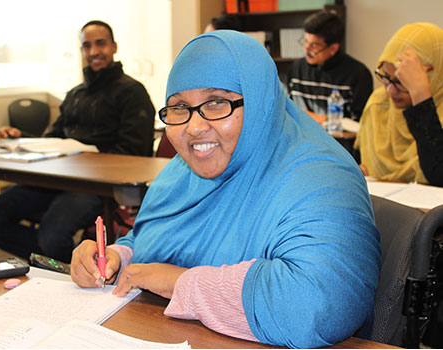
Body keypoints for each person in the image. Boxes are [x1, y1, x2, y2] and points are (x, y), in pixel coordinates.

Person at [71, 30, 381, 348]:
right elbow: (155, 236)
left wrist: (180, 282)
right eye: (178, 107)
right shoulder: (182, 172)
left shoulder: (323, 179)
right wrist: (118, 257)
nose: (193, 127)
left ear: (260, 100)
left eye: (217, 103)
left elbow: (317, 307)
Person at [0, 20, 155, 263]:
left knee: (52, 237)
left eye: (101, 44)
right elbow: (53, 140)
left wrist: (85, 158)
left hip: (99, 187)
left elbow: (135, 152)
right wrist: (21, 138)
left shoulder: (132, 93)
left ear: (114, 47)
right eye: (86, 46)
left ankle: (63, 261)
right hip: (56, 180)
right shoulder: (76, 94)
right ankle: (61, 263)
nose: (94, 51)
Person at [355, 23, 443, 187]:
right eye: (386, 77)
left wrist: (421, 97)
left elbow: (438, 175)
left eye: (401, 81)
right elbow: (360, 159)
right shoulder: (379, 103)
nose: (390, 91)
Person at [286, 10, 372, 123]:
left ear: (333, 49)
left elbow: (361, 123)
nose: (307, 48)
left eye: (314, 45)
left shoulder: (358, 74)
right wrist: (318, 119)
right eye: (305, 41)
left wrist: (324, 120)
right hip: (300, 139)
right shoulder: (296, 69)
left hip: (338, 140)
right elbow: (287, 110)